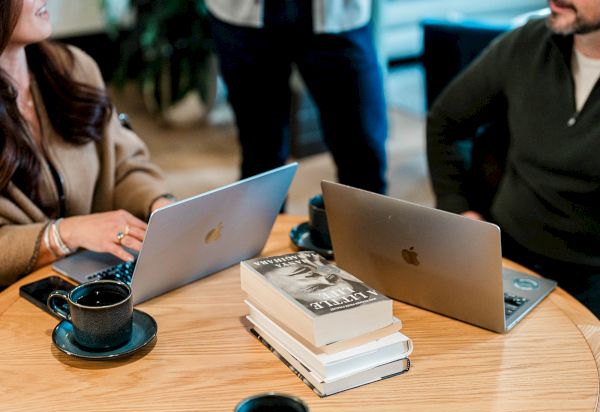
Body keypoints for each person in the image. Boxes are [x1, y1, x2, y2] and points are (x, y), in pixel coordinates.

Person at [426, 0, 600, 316]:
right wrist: (458, 210)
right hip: (505, 250)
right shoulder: (527, 42)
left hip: (590, 274)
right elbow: (446, 121)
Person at [0, 0, 174, 287]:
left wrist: (157, 203)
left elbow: (122, 165)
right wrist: (65, 233)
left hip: (97, 282)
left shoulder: (74, 68)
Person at [206, 0, 388, 194]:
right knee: (261, 160)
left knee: (362, 155)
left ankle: (361, 224)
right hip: (243, 20)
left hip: (339, 15)